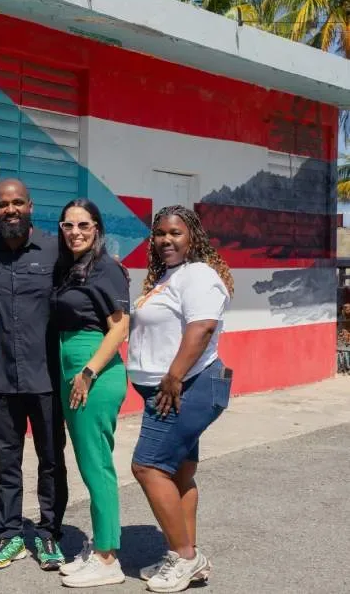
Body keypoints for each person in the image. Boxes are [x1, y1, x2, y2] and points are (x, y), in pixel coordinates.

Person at [128, 205, 234, 593]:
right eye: (160, 234)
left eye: (175, 233)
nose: (166, 240)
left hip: (186, 387)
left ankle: (185, 557)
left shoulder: (199, 274)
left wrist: (173, 376)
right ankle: (186, 554)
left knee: (148, 466)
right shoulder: (169, 276)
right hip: (174, 387)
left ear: (193, 237)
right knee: (179, 472)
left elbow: (202, 327)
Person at [0, 179, 68, 572]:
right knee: (5, 461)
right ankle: (9, 535)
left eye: (17, 203)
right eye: (3, 204)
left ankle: (49, 534)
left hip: (47, 379)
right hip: (2, 380)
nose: (11, 210)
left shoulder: (55, 249)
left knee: (50, 460)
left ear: (31, 205)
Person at [52, 198, 130, 589]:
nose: (76, 232)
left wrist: (87, 372)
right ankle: (101, 545)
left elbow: (119, 327)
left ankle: (107, 558)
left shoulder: (107, 268)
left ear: (97, 228)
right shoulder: (71, 268)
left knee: (96, 465)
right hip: (75, 368)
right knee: (89, 463)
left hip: (93, 372)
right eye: (68, 226)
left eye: (84, 225)